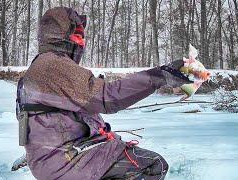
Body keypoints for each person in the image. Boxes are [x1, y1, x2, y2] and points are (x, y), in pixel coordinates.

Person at [16, 7, 193, 180]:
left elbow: (73, 120)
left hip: (54, 159)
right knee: (153, 165)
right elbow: (107, 97)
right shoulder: (53, 66)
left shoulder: (40, 67)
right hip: (68, 162)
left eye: (82, 37)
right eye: (76, 36)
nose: (81, 43)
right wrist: (159, 75)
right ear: (59, 37)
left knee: (124, 152)